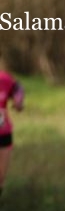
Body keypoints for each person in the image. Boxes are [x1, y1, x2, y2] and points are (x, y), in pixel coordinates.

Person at [0, 70, 25, 200]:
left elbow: (18, 88)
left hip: (3, 133)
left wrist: (18, 101)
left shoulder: (4, 79)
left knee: (1, 177)